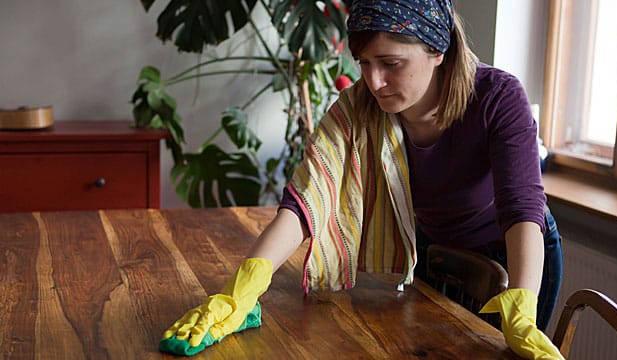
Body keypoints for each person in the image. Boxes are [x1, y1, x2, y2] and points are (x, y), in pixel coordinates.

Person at [159, 0, 564, 358]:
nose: (374, 82)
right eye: (365, 64)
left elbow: (521, 207)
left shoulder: (497, 97)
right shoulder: (358, 107)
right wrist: (241, 292)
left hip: (515, 254)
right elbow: (306, 199)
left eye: (391, 64)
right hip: (434, 248)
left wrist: (522, 306)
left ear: (438, 50)